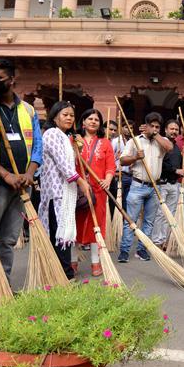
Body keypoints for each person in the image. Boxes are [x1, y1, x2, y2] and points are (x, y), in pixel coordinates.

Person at [0, 58, 42, 293]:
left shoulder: (28, 109)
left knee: (9, 239)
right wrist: (6, 175)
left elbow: (38, 147)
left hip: (23, 184)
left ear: (12, 80)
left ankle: (3, 285)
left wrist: (28, 174)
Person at [39, 101, 89, 279]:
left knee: (64, 234)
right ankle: (63, 276)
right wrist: (81, 182)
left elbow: (70, 161)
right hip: (55, 193)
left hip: (65, 193)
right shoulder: (52, 134)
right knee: (59, 236)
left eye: (71, 115)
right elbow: (63, 164)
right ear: (54, 116)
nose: (69, 118)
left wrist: (78, 148)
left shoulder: (65, 136)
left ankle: (62, 275)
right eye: (65, 114)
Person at [119, 112, 172, 262]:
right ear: (146, 126)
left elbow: (170, 147)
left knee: (149, 222)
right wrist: (135, 157)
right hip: (137, 185)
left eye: (157, 127)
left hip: (154, 187)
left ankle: (142, 250)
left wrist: (155, 135)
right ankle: (124, 250)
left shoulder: (161, 141)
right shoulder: (135, 141)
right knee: (131, 220)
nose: (154, 129)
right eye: (152, 126)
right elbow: (122, 161)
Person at [75, 108, 114, 277]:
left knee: (96, 226)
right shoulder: (74, 141)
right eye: (89, 118)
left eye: (96, 120)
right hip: (77, 189)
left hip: (99, 190)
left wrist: (107, 180)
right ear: (83, 122)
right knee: (74, 225)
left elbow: (111, 166)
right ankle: (72, 261)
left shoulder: (105, 143)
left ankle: (95, 262)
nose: (93, 121)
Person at [152, 119, 184, 247]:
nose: (174, 131)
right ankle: (156, 240)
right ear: (165, 130)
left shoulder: (176, 147)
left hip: (174, 184)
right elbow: (161, 164)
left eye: (176, 129)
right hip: (162, 184)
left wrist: (183, 155)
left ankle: (164, 239)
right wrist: (176, 170)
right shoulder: (161, 144)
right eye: (172, 129)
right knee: (160, 213)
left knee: (170, 214)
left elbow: (180, 165)